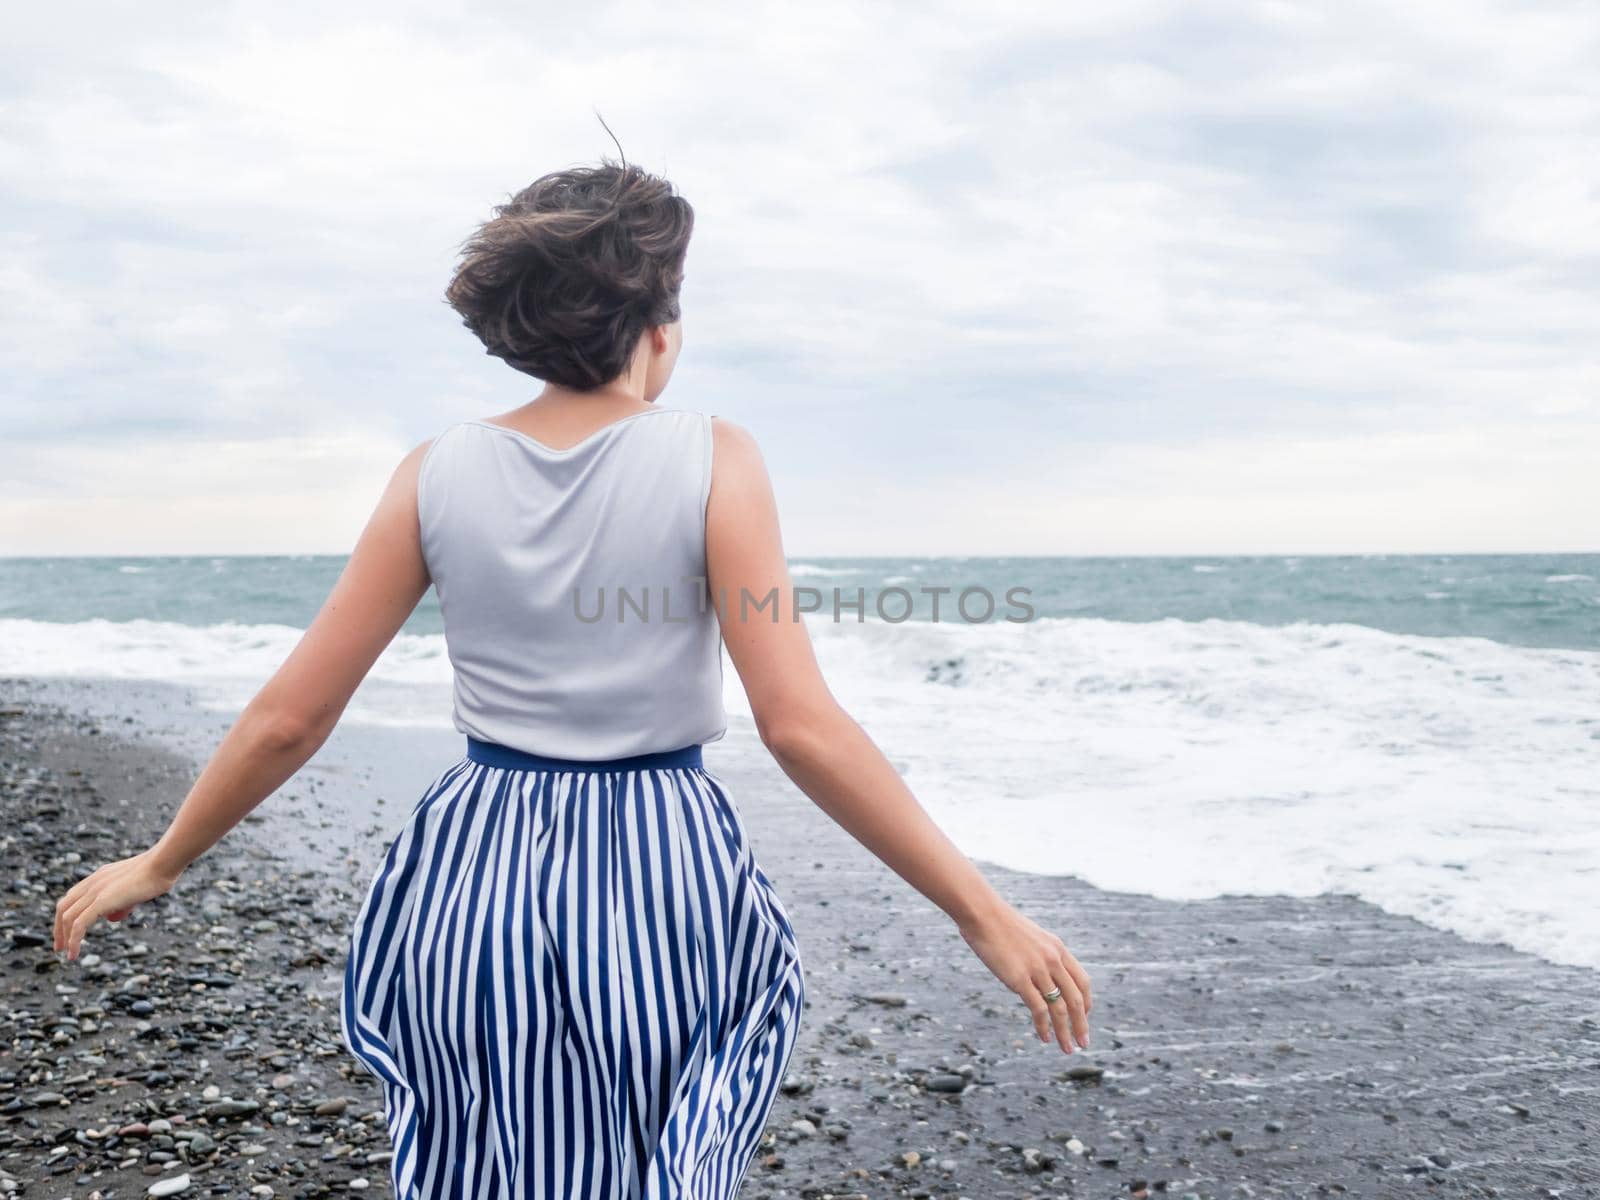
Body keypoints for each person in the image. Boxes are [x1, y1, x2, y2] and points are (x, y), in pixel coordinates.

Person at [51, 154, 1092, 1199]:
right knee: (650, 1160)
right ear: (659, 328)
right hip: (655, 858)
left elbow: (292, 716)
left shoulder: (434, 469)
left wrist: (166, 858)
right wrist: (980, 914)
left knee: (485, 1159)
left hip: (472, 864)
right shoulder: (714, 456)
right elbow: (799, 727)